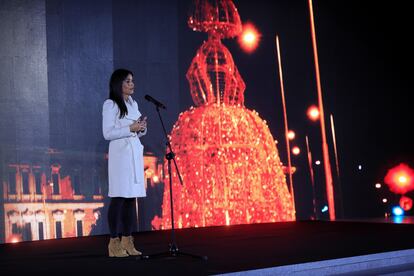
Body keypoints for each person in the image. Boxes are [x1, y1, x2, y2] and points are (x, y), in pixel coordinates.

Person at [102, 68, 147, 257]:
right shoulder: (111, 104)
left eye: (132, 81)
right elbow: (108, 133)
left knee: (131, 199)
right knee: (119, 197)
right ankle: (114, 243)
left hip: (134, 155)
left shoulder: (134, 104)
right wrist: (131, 127)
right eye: (128, 81)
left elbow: (136, 130)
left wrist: (141, 128)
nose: (132, 84)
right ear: (118, 83)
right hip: (120, 157)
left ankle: (128, 240)